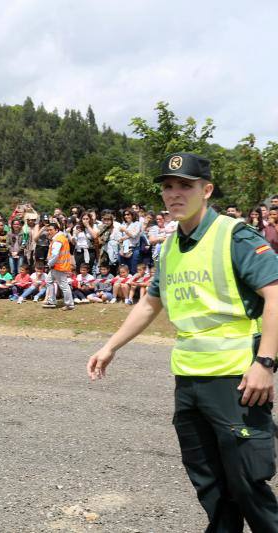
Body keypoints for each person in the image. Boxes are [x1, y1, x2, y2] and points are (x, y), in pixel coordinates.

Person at [87, 152, 278, 531]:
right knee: (210, 484)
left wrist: (266, 363)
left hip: (236, 381)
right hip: (188, 381)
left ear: (206, 190)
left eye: (185, 186)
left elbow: (275, 294)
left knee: (247, 484)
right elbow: (149, 303)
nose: (174, 194)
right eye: (168, 187)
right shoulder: (172, 245)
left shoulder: (234, 235)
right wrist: (110, 346)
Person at [42, 222, 74, 310]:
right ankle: (51, 301)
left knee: (63, 285)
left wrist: (49, 264)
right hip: (58, 266)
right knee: (49, 281)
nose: (49, 232)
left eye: (50, 230)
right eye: (48, 230)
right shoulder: (60, 237)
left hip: (58, 266)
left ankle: (69, 304)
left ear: (56, 230)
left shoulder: (58, 239)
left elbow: (55, 255)